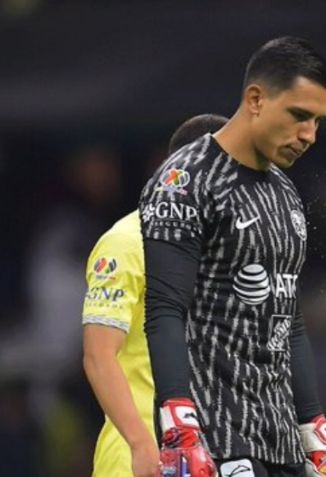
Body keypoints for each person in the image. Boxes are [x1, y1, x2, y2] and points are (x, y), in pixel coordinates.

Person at [139, 37, 326, 477]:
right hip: (216, 438)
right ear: (255, 99)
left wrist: (315, 435)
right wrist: (178, 429)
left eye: (318, 121)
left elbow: (291, 322)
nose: (310, 135)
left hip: (282, 438)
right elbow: (165, 309)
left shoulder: (285, 190)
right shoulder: (185, 179)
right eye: (299, 116)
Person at [83, 113, 228, 477]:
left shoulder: (225, 250)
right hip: (142, 456)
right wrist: (141, 444)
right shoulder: (127, 242)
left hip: (215, 455)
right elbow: (99, 355)